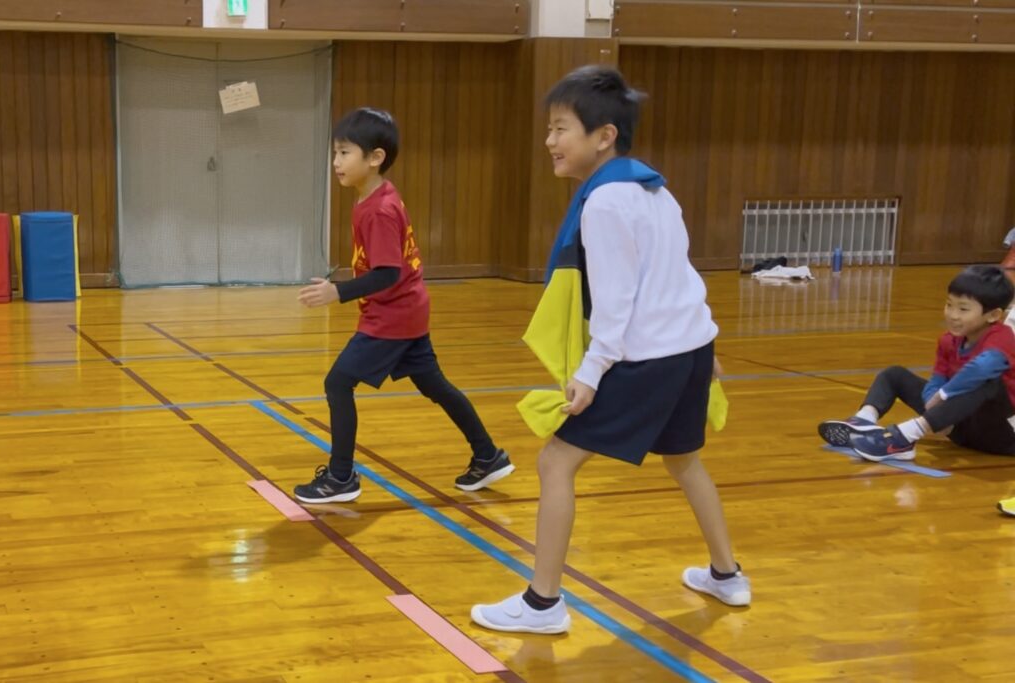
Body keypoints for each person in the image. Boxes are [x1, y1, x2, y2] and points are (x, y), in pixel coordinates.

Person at [470, 66, 750, 635]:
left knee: (555, 461)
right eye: (549, 129)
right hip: (686, 350)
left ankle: (543, 604)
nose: (550, 141)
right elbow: (680, 276)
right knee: (684, 459)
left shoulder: (603, 204)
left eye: (560, 128)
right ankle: (726, 575)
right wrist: (707, 341)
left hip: (644, 358)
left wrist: (591, 372)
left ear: (604, 136)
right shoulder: (655, 190)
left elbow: (617, 304)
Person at [294, 108, 513, 503]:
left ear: (375, 158)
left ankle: (341, 477)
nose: (336, 162)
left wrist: (337, 292)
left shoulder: (379, 209)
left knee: (338, 382)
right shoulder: (375, 198)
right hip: (410, 311)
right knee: (436, 386)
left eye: (345, 153)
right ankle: (488, 455)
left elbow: (386, 274)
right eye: (335, 153)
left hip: (392, 316)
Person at [819, 265, 1015, 462]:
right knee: (894, 374)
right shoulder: (948, 340)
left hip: (1004, 436)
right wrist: (935, 409)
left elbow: (981, 369)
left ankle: (904, 437)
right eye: (949, 305)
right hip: (960, 428)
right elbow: (937, 378)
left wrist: (942, 396)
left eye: (963, 309)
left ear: (993, 315)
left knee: (986, 381)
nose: (953, 315)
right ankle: (863, 420)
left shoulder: (1003, 338)